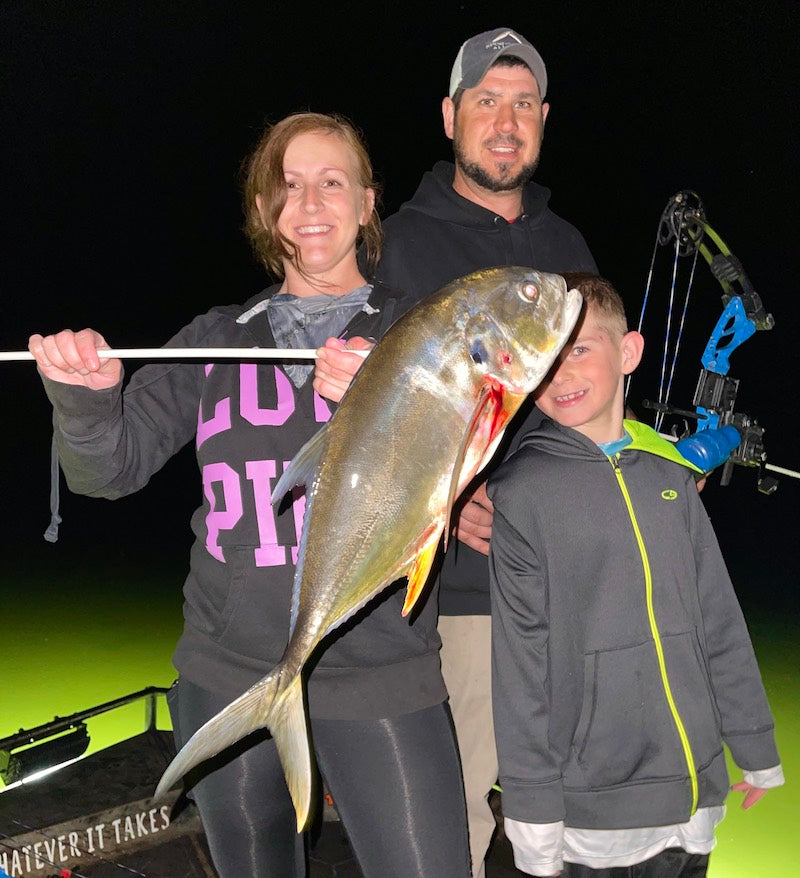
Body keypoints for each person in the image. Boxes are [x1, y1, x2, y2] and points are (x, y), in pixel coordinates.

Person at [28, 112, 470, 878]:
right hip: (224, 670)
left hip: (379, 672)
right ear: (265, 210)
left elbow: (465, 479)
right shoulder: (217, 336)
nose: (309, 202)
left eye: (332, 182)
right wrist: (85, 399)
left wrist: (393, 397)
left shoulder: (420, 334)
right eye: (287, 185)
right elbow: (106, 471)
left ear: (369, 202)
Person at [313, 28, 597, 877]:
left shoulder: (568, 254)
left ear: (543, 120)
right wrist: (448, 484)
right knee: (458, 821)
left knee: (570, 817)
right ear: (450, 115)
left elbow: (582, 412)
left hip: (563, 587)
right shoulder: (391, 245)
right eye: (485, 101)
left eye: (521, 104)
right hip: (456, 595)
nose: (504, 122)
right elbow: (348, 406)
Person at [487, 273, 783, 877]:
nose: (560, 375)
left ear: (628, 352)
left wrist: (753, 744)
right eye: (542, 360)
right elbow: (520, 668)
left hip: (693, 803)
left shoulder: (670, 478)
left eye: (579, 350)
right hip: (592, 819)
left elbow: (719, 620)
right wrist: (533, 810)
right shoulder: (522, 495)